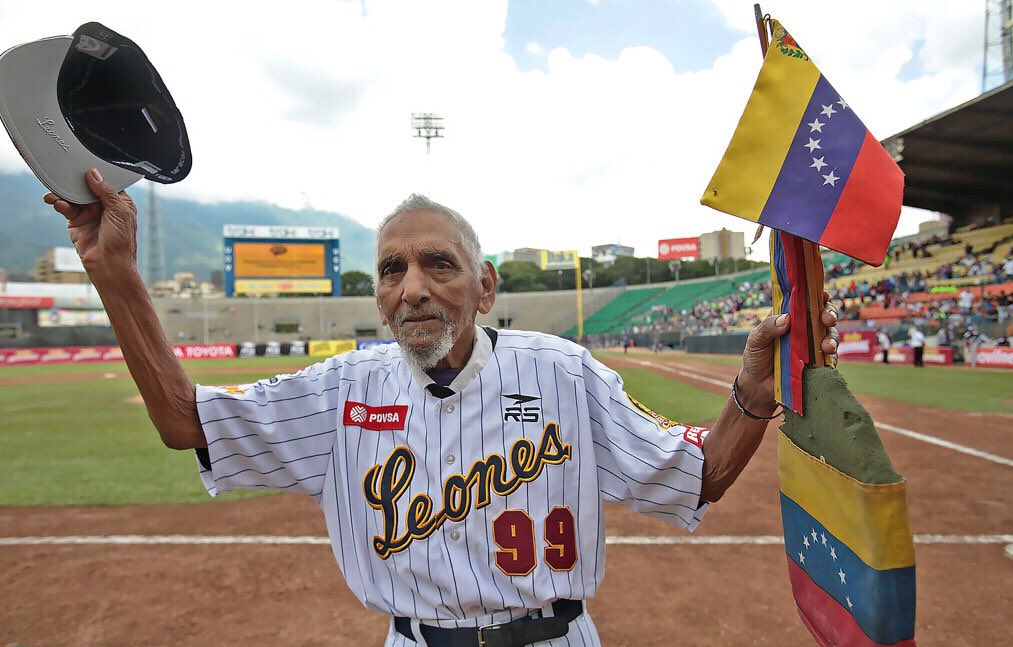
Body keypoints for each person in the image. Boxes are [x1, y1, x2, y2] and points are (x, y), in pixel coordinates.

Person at [45, 173, 839, 646]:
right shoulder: (340, 392)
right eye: (391, 269)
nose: (413, 285)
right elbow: (187, 421)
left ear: (485, 286)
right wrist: (113, 267)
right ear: (378, 295)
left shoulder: (561, 372)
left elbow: (693, 475)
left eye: (438, 264)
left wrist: (750, 393)